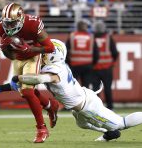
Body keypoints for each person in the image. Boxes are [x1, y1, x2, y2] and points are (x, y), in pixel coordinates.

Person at [9, 39, 142, 141]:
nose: (40, 55)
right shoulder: (58, 65)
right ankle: (109, 133)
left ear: (52, 56)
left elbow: (39, 79)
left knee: (121, 123)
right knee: (82, 125)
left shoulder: (53, 69)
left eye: (43, 54)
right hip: (81, 101)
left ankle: (113, 129)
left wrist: (18, 78)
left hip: (87, 105)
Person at [0, 3, 59, 143]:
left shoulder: (32, 24)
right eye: (7, 23)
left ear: (20, 19)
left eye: (12, 23)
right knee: (25, 92)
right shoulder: (0, 26)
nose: (9, 27)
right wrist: (6, 50)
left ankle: (41, 129)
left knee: (27, 92)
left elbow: (50, 47)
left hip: (33, 56)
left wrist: (30, 50)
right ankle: (50, 105)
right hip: (18, 58)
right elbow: (12, 56)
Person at [91, 20, 119, 110]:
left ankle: (97, 107)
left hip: (94, 68)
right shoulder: (108, 38)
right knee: (107, 88)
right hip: (107, 68)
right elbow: (115, 53)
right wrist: (112, 63)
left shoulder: (91, 37)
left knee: (96, 89)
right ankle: (110, 107)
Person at [66, 20, 99, 88]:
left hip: (74, 65)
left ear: (77, 27)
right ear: (86, 27)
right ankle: (85, 99)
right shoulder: (91, 37)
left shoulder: (72, 36)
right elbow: (96, 53)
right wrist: (92, 64)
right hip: (87, 65)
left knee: (73, 86)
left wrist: (69, 63)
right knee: (86, 86)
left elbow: (66, 51)